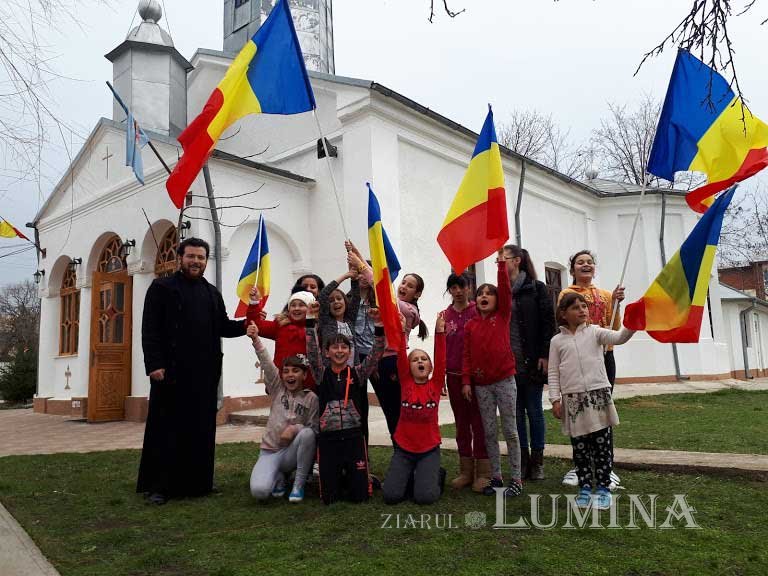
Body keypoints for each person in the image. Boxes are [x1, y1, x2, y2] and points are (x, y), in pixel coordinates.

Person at [137, 237, 247, 505]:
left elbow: (224, 326)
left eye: (201, 258)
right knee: (166, 429)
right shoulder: (161, 287)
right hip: (170, 373)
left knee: (201, 430)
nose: (196, 261)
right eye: (191, 256)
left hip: (204, 374)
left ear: (206, 261)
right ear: (180, 258)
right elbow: (149, 329)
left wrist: (250, 323)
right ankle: (160, 487)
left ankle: (199, 484)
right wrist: (154, 364)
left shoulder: (212, 293)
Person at [548, 292, 635, 509]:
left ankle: (603, 488)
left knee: (601, 447)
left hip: (597, 397)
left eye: (584, 306)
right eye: (576, 307)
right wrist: (554, 399)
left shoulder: (595, 332)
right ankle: (585, 487)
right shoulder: (557, 341)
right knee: (580, 448)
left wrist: (633, 324)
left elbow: (619, 338)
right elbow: (553, 372)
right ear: (563, 313)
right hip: (573, 401)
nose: (582, 310)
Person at [305, 307, 385, 505]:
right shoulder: (320, 374)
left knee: (360, 497)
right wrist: (309, 322)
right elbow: (311, 351)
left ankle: (362, 477)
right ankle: (337, 477)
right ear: (327, 352)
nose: (339, 351)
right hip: (328, 440)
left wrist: (379, 325)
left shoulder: (358, 373)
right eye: (334, 347)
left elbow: (376, 353)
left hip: (354, 438)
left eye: (344, 348)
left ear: (350, 352)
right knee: (329, 499)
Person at [559, 250, 625, 488]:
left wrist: (617, 303)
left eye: (589, 262)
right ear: (573, 268)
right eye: (580, 262)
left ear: (594, 268)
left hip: (603, 358)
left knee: (603, 413)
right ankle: (581, 466)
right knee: (578, 412)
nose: (585, 265)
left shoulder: (606, 295)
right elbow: (563, 324)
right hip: (577, 361)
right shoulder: (566, 294)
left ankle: (607, 465)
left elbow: (615, 326)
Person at [462, 252, 522, 497]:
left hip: (505, 381)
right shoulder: (470, 325)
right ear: (475, 300)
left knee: (510, 430)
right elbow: (466, 355)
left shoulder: (503, 315)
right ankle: (496, 477)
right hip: (481, 386)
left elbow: (506, 290)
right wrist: (466, 381)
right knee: (488, 431)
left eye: (489, 293)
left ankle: (516, 479)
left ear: (498, 301)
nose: (484, 296)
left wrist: (499, 264)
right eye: (480, 293)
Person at [247, 321, 318, 503]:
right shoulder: (278, 388)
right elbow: (267, 363)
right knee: (260, 492)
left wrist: (295, 429)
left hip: (292, 453)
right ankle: (278, 477)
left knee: (308, 434)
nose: (290, 375)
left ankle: (298, 484)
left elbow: (314, 429)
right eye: (286, 371)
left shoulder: (311, 398)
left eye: (295, 371)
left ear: (304, 375)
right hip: (270, 451)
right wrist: (256, 339)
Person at [502, 245, 556, 480]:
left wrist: (545, 354)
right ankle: (522, 460)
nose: (499, 264)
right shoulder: (500, 290)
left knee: (534, 410)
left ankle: (538, 461)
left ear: (516, 261)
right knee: (515, 413)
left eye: (503, 259)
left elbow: (548, 322)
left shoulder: (536, 288)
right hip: (507, 362)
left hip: (532, 359)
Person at [382, 313, 447, 505]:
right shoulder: (405, 381)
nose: (420, 362)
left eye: (424, 359)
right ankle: (413, 476)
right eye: (415, 359)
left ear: (430, 366)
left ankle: (435, 474)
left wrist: (439, 332)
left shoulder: (435, 384)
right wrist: (402, 331)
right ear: (408, 367)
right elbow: (401, 355)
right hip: (404, 448)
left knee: (425, 497)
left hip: (429, 449)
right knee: (391, 496)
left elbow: (441, 358)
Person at [442, 273, 488, 492]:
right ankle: (466, 471)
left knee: (479, 422)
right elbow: (441, 347)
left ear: (470, 288)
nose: (458, 291)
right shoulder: (444, 315)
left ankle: (484, 472)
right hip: (453, 376)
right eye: (453, 287)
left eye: (462, 286)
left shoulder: (478, 312)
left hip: (478, 376)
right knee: (461, 423)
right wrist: (440, 374)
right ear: (449, 290)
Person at [375, 273, 429, 437]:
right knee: (390, 411)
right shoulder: (397, 305)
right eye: (403, 282)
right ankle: (401, 451)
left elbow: (382, 293)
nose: (404, 286)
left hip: (393, 361)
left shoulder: (406, 309)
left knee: (396, 411)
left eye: (410, 286)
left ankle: (408, 449)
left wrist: (362, 264)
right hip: (381, 362)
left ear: (417, 294)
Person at [247, 288, 317, 391]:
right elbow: (256, 325)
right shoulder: (281, 325)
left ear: (310, 309)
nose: (296, 308)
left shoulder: (316, 329)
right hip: (281, 384)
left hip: (307, 387)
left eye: (302, 305)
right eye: (293, 305)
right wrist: (254, 302)